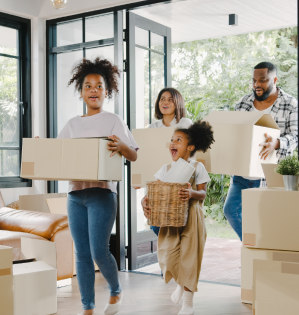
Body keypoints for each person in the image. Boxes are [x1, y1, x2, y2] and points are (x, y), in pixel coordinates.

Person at [57, 57, 139, 315]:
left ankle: (115, 289)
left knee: (98, 251)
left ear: (107, 91)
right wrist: (41, 146)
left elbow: (133, 154)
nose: (94, 90)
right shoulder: (72, 124)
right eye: (88, 86)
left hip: (102, 195)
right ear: (81, 92)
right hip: (75, 195)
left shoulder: (113, 120)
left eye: (99, 86)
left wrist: (121, 146)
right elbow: (57, 154)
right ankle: (87, 307)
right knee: (81, 254)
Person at [141, 121, 215, 315]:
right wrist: (144, 201)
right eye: (172, 140)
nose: (172, 143)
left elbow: (203, 194)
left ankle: (188, 304)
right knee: (167, 255)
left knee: (190, 258)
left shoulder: (197, 167)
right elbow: (153, 191)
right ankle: (180, 284)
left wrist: (192, 193)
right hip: (169, 219)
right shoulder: (165, 169)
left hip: (192, 218)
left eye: (178, 140)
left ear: (190, 147)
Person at [223, 61, 298, 240]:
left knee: (265, 219)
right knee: (230, 211)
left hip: (269, 173)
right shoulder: (242, 103)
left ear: (275, 79)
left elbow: (296, 136)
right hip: (242, 173)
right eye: (254, 80)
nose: (257, 84)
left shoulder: (289, 103)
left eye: (263, 80)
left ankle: (262, 251)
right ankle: (252, 247)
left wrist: (277, 143)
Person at [143, 88, 193, 237]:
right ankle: (167, 259)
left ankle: (173, 259)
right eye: (162, 99)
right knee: (156, 224)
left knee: (175, 226)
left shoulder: (185, 123)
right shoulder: (153, 127)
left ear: (178, 103)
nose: (165, 102)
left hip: (178, 180)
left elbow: (191, 153)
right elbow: (148, 158)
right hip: (158, 182)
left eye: (170, 99)